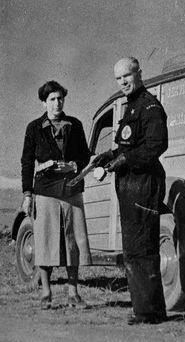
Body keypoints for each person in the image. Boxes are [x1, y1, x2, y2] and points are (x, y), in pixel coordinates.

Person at [92, 57, 168, 324]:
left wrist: (121, 161)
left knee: (143, 248)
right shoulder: (131, 107)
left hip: (144, 186)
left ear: (139, 73)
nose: (123, 81)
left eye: (127, 75)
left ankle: (149, 312)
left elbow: (156, 146)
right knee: (134, 249)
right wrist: (108, 155)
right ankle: (145, 309)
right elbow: (128, 145)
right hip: (130, 187)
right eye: (118, 78)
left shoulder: (150, 107)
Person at [20, 80, 92, 310]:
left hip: (71, 188)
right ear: (44, 102)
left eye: (60, 98)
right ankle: (46, 293)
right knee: (45, 241)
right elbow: (27, 162)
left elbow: (85, 156)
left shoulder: (75, 125)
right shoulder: (33, 128)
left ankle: (73, 293)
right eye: (52, 99)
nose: (57, 102)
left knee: (72, 241)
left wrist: (74, 164)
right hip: (45, 191)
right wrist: (27, 194)